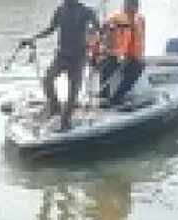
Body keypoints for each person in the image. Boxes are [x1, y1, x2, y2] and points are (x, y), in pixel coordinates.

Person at [22, 0, 101, 130]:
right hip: (62, 55)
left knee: (73, 89)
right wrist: (33, 38)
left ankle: (66, 120)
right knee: (47, 79)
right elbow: (50, 29)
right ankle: (55, 106)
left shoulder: (86, 11)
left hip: (78, 56)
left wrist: (92, 37)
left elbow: (98, 30)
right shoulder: (61, 10)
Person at [98, 0, 146, 106]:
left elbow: (140, 41)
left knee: (138, 66)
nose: (131, 8)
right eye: (128, 5)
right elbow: (103, 35)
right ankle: (103, 96)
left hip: (131, 57)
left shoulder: (140, 20)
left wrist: (135, 56)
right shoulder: (115, 19)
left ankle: (117, 97)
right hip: (113, 55)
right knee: (109, 64)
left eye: (134, 5)